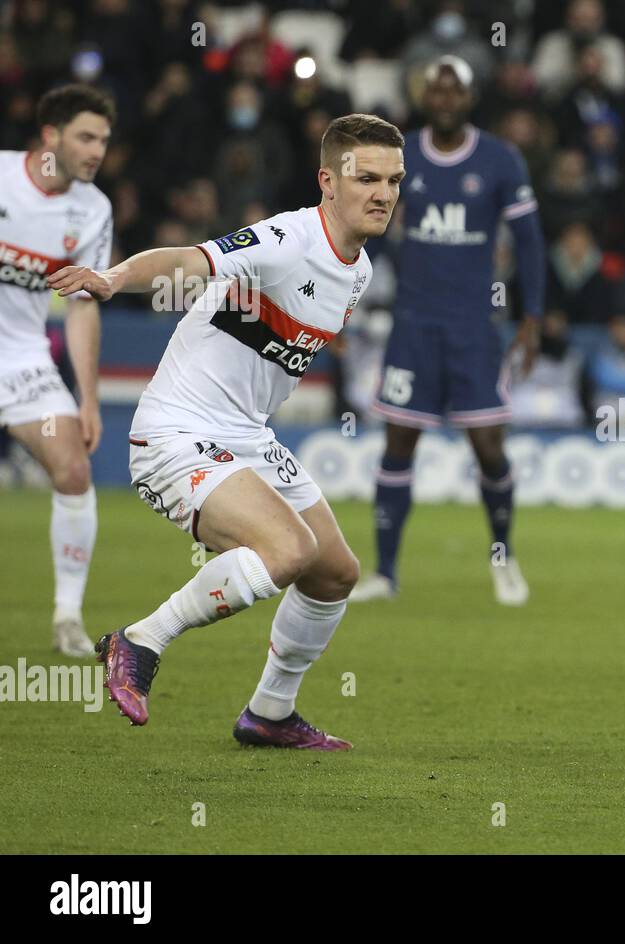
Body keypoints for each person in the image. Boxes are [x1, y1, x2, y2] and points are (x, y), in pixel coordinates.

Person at [48, 114, 405, 748]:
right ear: (328, 180)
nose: (383, 194)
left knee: (334, 572)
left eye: (394, 181)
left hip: (248, 437)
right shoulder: (288, 240)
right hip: (175, 435)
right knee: (289, 551)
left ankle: (269, 713)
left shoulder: (358, 272)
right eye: (367, 178)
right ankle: (139, 641)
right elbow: (190, 259)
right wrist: (113, 277)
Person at [353, 57, 545, 606]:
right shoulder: (399, 154)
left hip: (473, 328)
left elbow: (529, 242)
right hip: (413, 324)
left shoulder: (500, 159)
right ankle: (386, 573)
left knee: (488, 447)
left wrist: (532, 318)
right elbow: (366, 222)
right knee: (398, 442)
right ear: (425, 97)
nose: (444, 100)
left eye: (453, 91)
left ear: (469, 97)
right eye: (434, 91)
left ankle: (503, 559)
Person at [0, 84, 114, 657]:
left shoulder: (92, 210)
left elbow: (82, 306)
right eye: (86, 137)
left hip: (20, 359)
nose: (97, 150)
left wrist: (86, 399)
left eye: (104, 140)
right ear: (51, 137)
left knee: (73, 470)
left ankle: (67, 617)